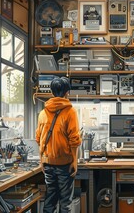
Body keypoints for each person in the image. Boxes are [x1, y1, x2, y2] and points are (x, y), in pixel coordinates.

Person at [36, 76, 82, 213]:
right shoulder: (70, 111)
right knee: (65, 202)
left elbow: (39, 138)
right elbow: (74, 139)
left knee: (50, 199)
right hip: (65, 164)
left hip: (48, 162)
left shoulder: (43, 113)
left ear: (52, 92)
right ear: (67, 92)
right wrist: (75, 161)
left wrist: (42, 161)